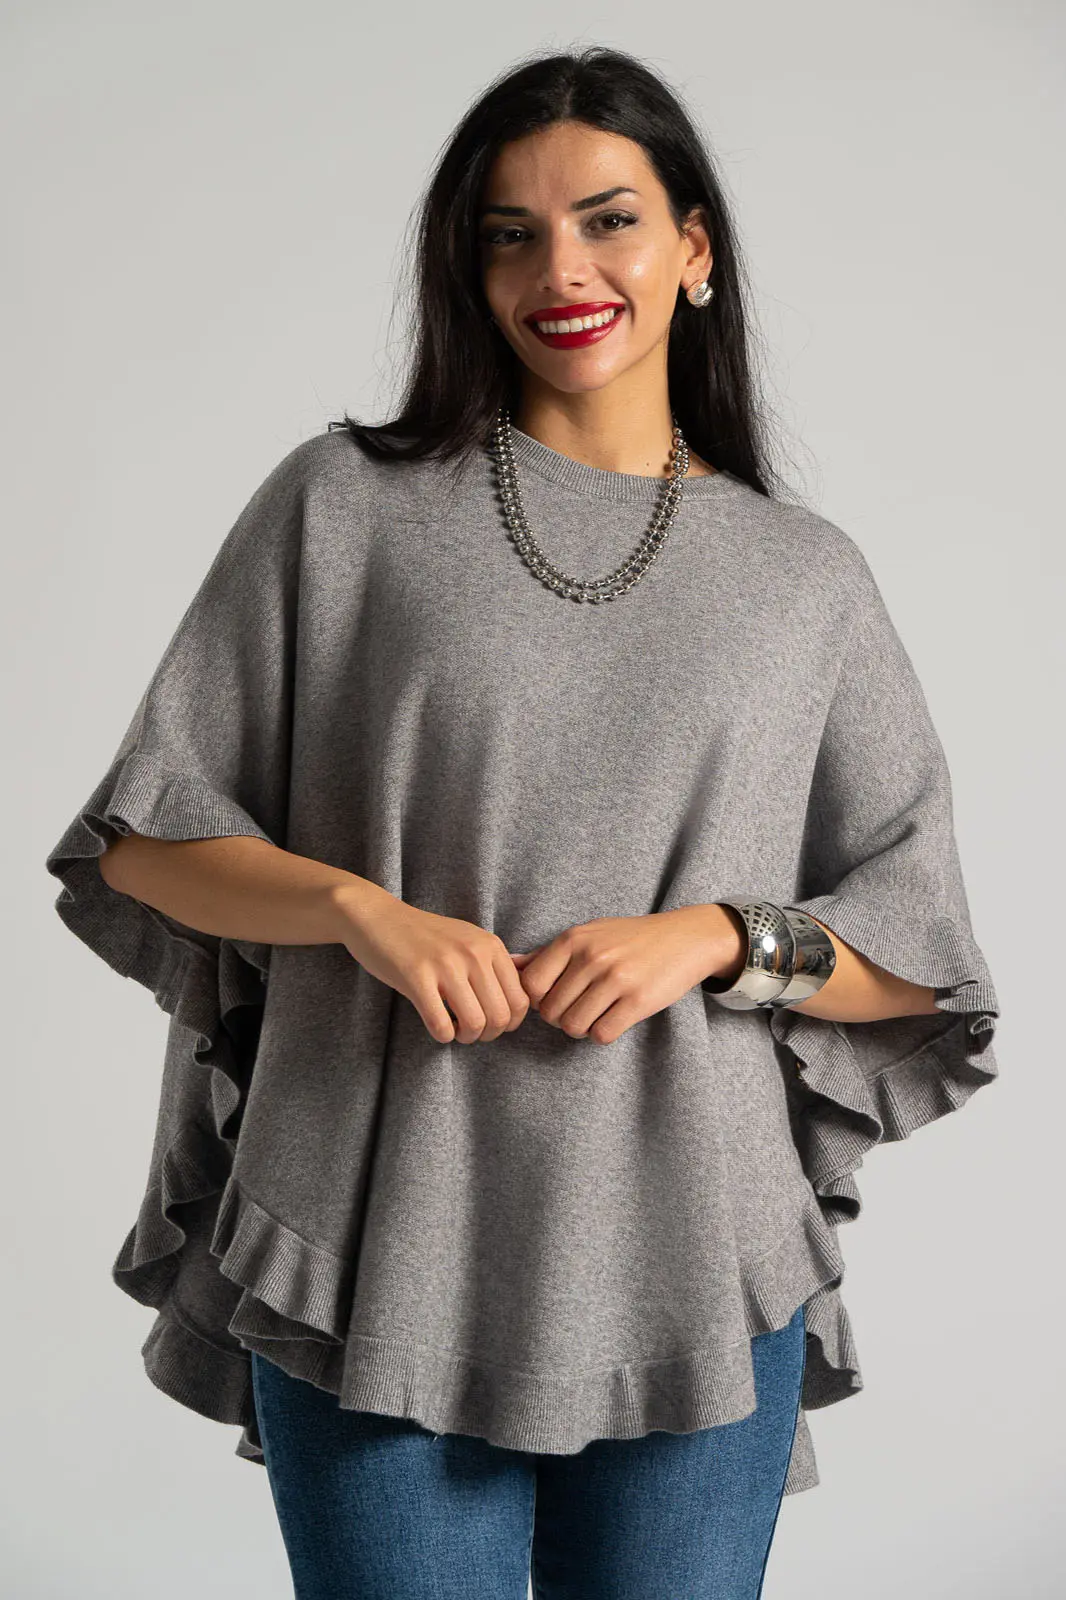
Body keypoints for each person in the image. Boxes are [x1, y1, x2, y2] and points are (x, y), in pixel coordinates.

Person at [45, 45, 1000, 1600]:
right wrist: (357, 910)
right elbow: (142, 844)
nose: (562, 269)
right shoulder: (342, 506)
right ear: (468, 269)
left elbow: (921, 960)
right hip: (371, 1227)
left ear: (693, 249)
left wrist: (717, 938)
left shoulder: (801, 578)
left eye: (607, 220)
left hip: (694, 1247)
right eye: (511, 234)